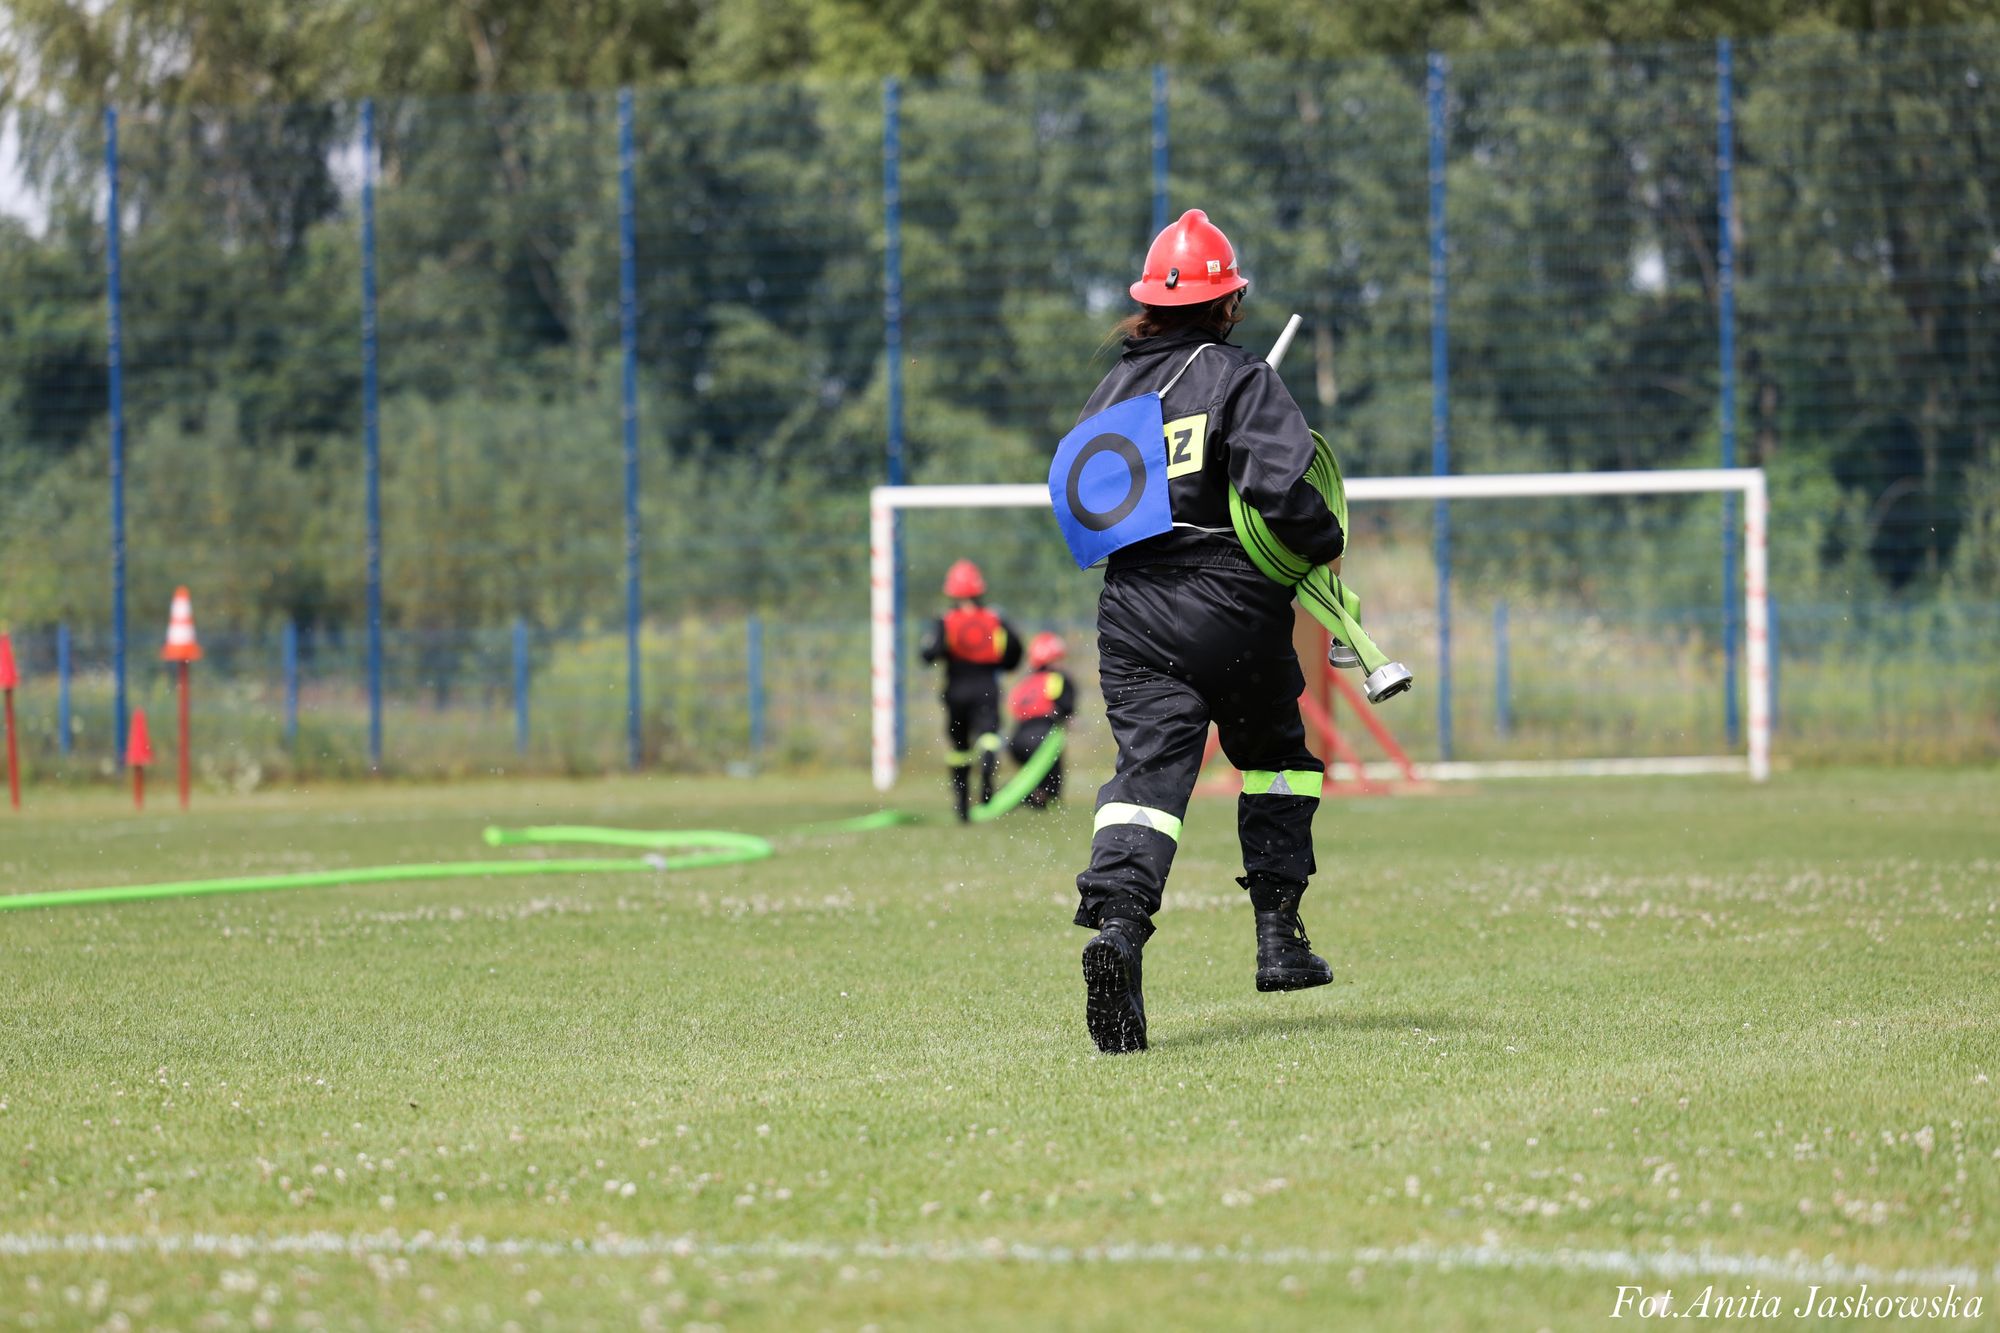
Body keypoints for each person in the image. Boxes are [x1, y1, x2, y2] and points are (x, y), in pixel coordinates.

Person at [1062, 209, 1339, 1054]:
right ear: (1229, 304)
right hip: (1230, 603)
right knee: (1279, 763)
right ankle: (1278, 936)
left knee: (1147, 782)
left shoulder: (1109, 390)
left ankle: (1118, 927)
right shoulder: (1240, 377)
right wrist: (1326, 541)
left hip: (1130, 612)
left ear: (1148, 305)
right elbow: (1287, 496)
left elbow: (1083, 502)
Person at [918, 559, 1023, 822]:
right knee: (989, 734)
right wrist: (1005, 663)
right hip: (986, 682)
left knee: (959, 746)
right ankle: (987, 771)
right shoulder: (994, 618)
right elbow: (1015, 650)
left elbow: (928, 653)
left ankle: (962, 804)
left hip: (957, 685)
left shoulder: (946, 620)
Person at [1006, 632, 1077, 810]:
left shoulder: (1026, 681)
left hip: (1017, 738)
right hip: (1041, 734)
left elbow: (1014, 706)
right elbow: (1066, 706)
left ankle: (1030, 795)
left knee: (1031, 771)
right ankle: (1044, 799)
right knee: (1051, 767)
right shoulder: (1057, 678)